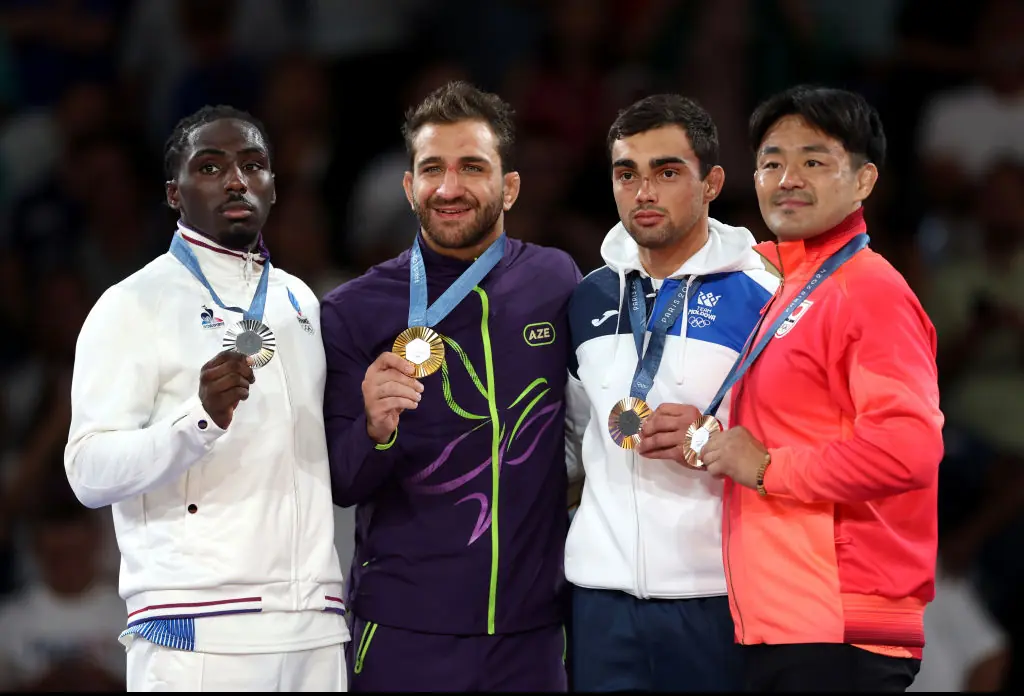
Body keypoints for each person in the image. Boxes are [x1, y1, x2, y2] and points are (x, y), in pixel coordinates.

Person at [64, 105, 349, 692]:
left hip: (315, 621)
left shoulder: (302, 302)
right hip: (198, 623)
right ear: (175, 192)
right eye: (211, 166)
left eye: (253, 165)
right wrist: (196, 422)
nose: (237, 180)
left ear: (273, 184)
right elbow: (86, 472)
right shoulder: (131, 304)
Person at [321, 80, 580, 692]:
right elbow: (341, 479)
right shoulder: (354, 310)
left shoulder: (556, 280)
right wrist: (375, 430)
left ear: (509, 187)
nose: (449, 188)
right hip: (406, 629)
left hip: (534, 632)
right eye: (432, 169)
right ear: (410, 187)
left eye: (472, 167)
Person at [691, 85, 944, 691]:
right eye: (772, 162)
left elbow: (907, 450)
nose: (788, 178)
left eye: (814, 160)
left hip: (837, 624)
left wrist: (766, 468)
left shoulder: (869, 291)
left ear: (864, 181)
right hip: (788, 620)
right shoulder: (788, 282)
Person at [562, 93, 780, 692]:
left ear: (711, 182)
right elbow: (574, 440)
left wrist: (715, 440)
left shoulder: (765, 299)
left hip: (718, 593)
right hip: (599, 595)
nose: (644, 191)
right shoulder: (588, 298)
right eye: (627, 173)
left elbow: (799, 441)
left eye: (667, 171)